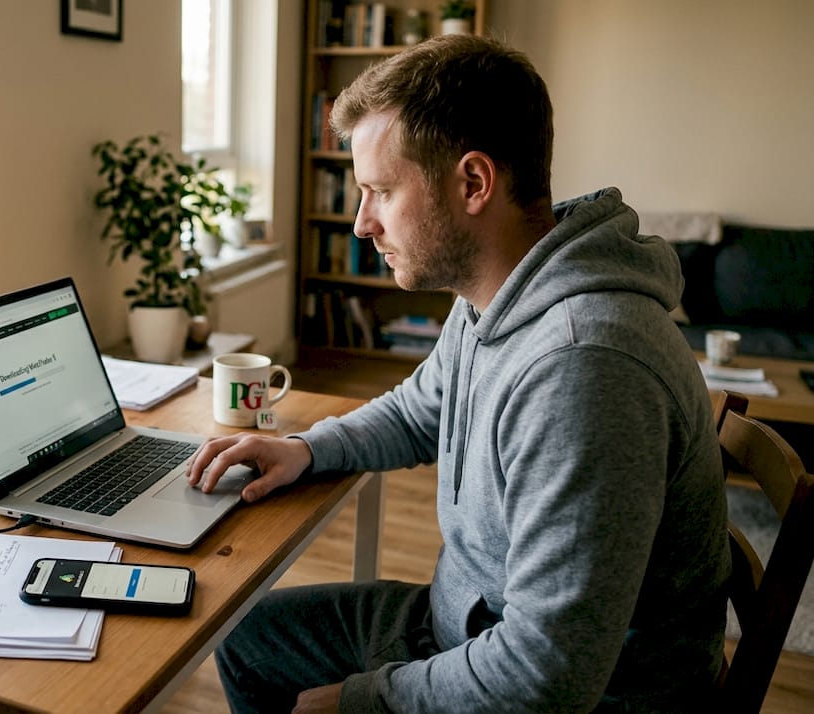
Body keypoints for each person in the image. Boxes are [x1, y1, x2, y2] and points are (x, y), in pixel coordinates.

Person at [187, 34, 729, 713]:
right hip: (468, 627)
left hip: (589, 695)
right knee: (246, 639)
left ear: (473, 183)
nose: (361, 224)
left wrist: (360, 701)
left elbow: (545, 676)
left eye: (380, 191)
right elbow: (421, 409)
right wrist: (306, 449)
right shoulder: (495, 293)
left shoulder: (582, 366)